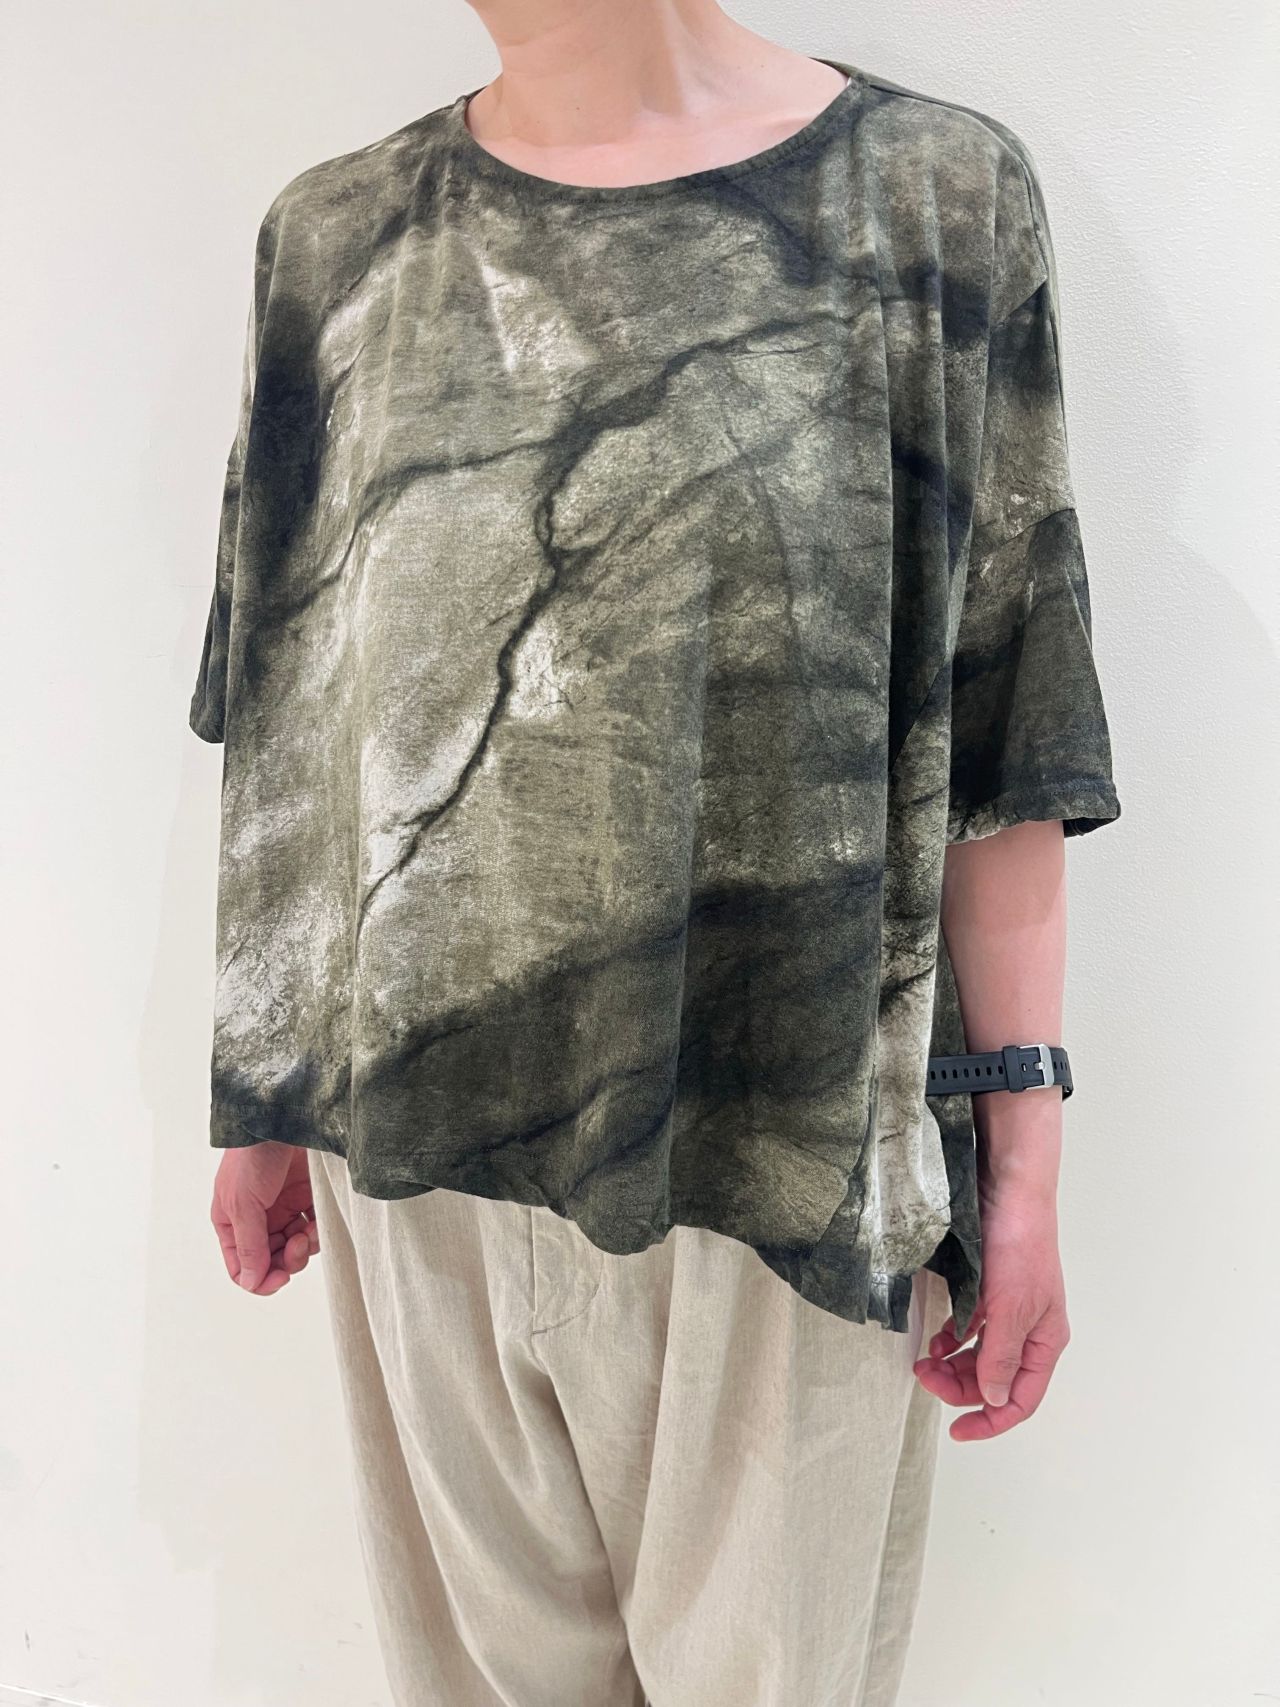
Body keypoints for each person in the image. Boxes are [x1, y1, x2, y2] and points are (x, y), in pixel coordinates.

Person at [194, 8, 1121, 1704]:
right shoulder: (333, 239)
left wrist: (1025, 1164)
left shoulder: (928, 200)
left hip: (789, 1158)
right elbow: (289, 709)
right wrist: (264, 1090)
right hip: (416, 1161)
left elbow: (1008, 732)